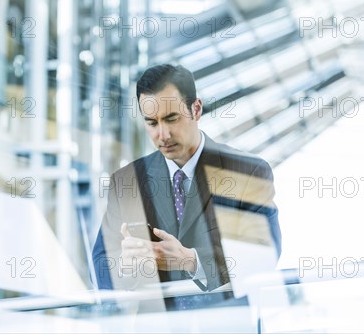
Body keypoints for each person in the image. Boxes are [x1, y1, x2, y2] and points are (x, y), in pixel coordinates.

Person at [92, 64, 281, 303]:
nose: (163, 135)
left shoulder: (248, 172)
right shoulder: (127, 181)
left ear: (196, 109)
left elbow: (264, 256)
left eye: (171, 119)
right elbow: (100, 264)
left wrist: (191, 261)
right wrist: (124, 267)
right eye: (152, 123)